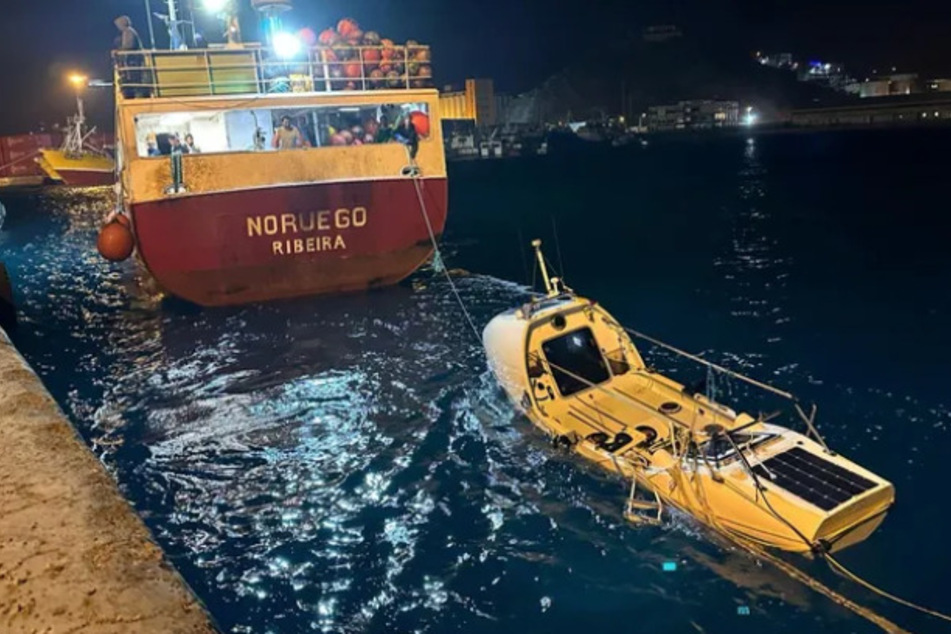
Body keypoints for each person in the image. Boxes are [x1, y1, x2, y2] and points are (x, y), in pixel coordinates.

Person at [114, 16, 146, 98]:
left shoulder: (128, 32)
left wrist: (118, 51)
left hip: (133, 63)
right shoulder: (128, 31)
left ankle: (136, 95)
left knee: (134, 82)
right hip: (132, 63)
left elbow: (129, 46)